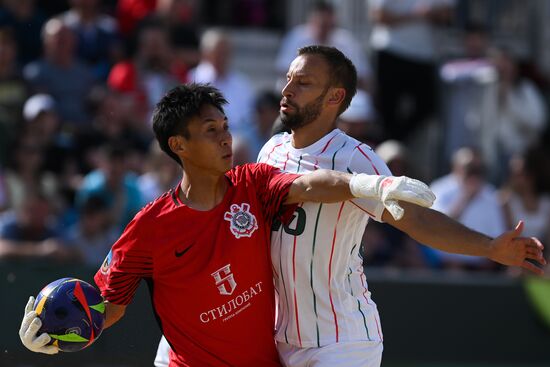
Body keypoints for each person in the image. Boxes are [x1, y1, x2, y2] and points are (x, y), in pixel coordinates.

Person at [154, 47, 547, 367]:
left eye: (303, 82)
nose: (287, 88)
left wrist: (491, 246)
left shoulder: (356, 159)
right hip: (283, 339)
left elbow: (415, 219)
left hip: (343, 339)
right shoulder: (271, 150)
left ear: (334, 97)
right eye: (289, 78)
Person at [19, 83, 437, 366]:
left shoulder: (252, 184)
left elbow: (310, 183)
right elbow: (108, 308)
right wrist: (59, 336)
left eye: (225, 127)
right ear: (178, 145)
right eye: (210, 130)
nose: (225, 138)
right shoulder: (147, 229)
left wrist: (365, 183)